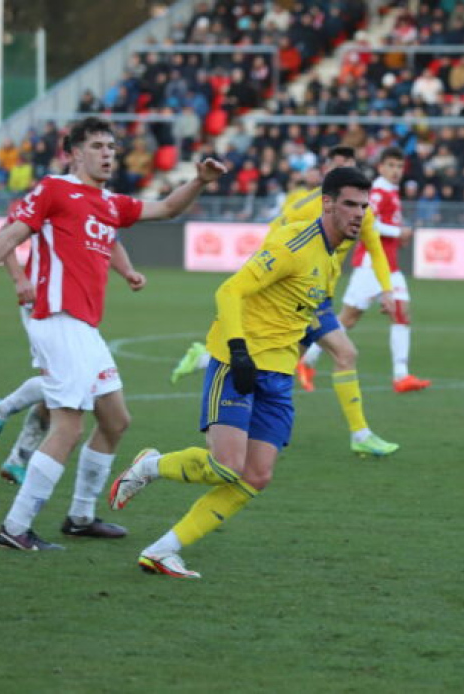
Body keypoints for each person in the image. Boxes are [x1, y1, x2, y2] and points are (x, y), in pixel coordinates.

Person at [0, 117, 227, 551]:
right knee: (67, 427)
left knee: (116, 420)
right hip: (58, 319)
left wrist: (198, 181)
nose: (108, 153)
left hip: (86, 328)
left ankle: (81, 516)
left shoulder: (109, 203)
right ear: (74, 153)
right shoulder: (53, 189)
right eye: (98, 146)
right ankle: (15, 527)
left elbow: (165, 208)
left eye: (112, 146)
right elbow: (9, 234)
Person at [108, 166, 373, 579]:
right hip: (238, 362)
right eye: (351, 205)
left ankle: (163, 550)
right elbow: (229, 290)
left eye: (364, 206)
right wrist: (239, 352)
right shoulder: (294, 244)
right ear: (328, 203)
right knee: (225, 465)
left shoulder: (333, 257)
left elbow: (300, 316)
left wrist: (292, 360)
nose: (359, 214)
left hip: (278, 375)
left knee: (257, 475)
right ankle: (149, 466)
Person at [172, 146, 401, 457]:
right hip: (298, 295)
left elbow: (375, 249)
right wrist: (270, 277)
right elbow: (275, 242)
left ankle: (204, 359)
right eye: (337, 164)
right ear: (326, 172)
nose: (343, 168)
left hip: (319, 295)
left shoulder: (362, 211)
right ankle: (360, 433)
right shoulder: (305, 207)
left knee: (283, 363)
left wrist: (387, 289)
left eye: (349, 164)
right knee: (345, 353)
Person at [0, 237, 147, 485]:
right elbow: (6, 237)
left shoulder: (98, 204)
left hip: (79, 307)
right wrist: (20, 279)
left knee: (65, 388)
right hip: (44, 304)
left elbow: (111, 240)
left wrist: (127, 271)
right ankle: (3, 413)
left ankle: (16, 456)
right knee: (63, 383)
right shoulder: (46, 200)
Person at [312, 146, 431, 393]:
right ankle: (307, 360)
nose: (396, 171)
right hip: (371, 265)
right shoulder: (376, 192)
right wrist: (401, 232)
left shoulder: (390, 191)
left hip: (390, 265)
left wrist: (399, 236)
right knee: (347, 318)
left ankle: (401, 375)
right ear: (381, 167)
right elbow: (371, 224)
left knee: (401, 313)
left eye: (399, 166)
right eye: (391, 166)